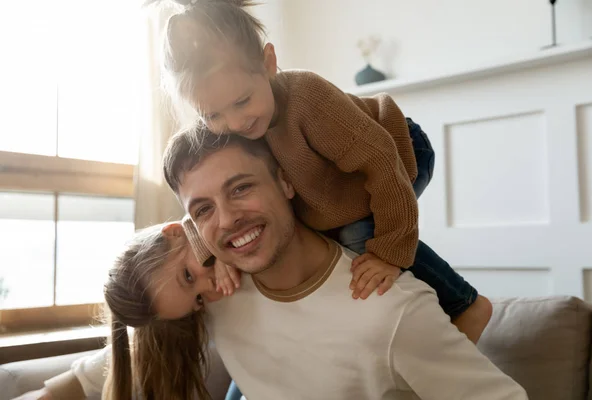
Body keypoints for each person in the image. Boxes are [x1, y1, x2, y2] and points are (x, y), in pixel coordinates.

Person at [14, 132, 528, 400]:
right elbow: (140, 347)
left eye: (241, 187)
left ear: (286, 181)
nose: (229, 219)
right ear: (188, 223)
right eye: (203, 208)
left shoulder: (388, 309)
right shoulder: (219, 291)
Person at [145, 0, 492, 346]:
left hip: (397, 148)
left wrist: (388, 252)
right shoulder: (227, 126)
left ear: (268, 63)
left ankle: (465, 302)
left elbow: (382, 161)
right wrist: (208, 254)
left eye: (242, 102)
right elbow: (200, 194)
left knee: (361, 236)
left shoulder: (309, 99)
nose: (234, 123)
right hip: (333, 183)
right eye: (213, 116)